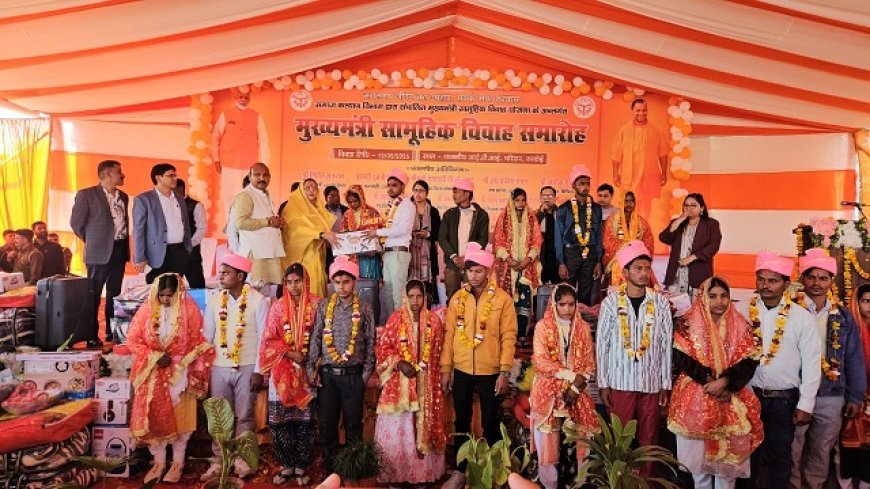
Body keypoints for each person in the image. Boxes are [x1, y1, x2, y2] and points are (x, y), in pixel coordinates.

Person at [668, 276, 762, 488]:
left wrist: (726, 382)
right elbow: (682, 358)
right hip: (696, 399)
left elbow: (750, 361)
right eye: (713, 296)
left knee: (726, 472)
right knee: (699, 471)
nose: (719, 301)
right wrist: (709, 380)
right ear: (703, 298)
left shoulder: (742, 325)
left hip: (731, 397)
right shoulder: (686, 324)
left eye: (723, 296)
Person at [739, 251, 821, 489]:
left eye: (773, 280)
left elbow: (812, 362)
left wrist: (806, 404)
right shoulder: (742, 311)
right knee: (746, 458)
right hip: (748, 397)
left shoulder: (801, 318)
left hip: (783, 402)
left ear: (786, 284)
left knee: (780, 459)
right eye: (761, 279)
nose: (765, 285)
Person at [126, 273, 214, 483]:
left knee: (181, 420)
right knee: (154, 418)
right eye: (162, 295)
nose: (165, 299)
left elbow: (197, 340)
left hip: (180, 373)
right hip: (153, 373)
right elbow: (133, 340)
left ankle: (177, 463)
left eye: (169, 295)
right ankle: (159, 463)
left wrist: (183, 361)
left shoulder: (189, 310)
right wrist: (155, 356)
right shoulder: (147, 310)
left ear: (178, 293)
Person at [790, 249, 866, 489]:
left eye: (823, 278)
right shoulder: (789, 311)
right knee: (792, 448)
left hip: (831, 393)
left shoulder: (842, 316)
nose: (817, 283)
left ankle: (815, 485)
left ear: (831, 281)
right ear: (803, 279)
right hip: (795, 392)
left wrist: (855, 396)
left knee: (822, 450)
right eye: (811, 277)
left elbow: (854, 357)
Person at [596, 240, 672, 475]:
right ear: (626, 272)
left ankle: (646, 483)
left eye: (647, 268)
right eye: (638, 268)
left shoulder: (660, 303)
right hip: (620, 383)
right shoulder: (610, 303)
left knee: (649, 441)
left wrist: (665, 383)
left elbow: (666, 344)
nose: (643, 273)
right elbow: (602, 345)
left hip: (651, 383)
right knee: (620, 442)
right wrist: (603, 383)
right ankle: (619, 482)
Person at [441, 242, 517, 447]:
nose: (473, 276)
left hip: (490, 371)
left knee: (491, 423)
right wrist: (446, 369)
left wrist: (504, 371)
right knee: (461, 423)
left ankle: (492, 464)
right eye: (469, 271)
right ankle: (461, 464)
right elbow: (449, 336)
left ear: (488, 271)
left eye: (478, 271)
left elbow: (508, 336)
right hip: (461, 369)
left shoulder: (503, 300)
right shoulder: (457, 299)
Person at [201, 253, 270, 481]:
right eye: (220, 272)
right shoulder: (214, 301)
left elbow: (264, 339)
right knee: (219, 416)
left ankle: (243, 458)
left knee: (244, 415)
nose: (220, 276)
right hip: (219, 366)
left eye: (225, 273)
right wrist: (203, 368)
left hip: (247, 366)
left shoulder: (259, 301)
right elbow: (207, 336)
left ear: (240, 276)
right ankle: (219, 459)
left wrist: (259, 370)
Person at [307, 255, 376, 472]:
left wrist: (365, 374)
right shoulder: (324, 306)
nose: (341, 287)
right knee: (327, 425)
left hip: (353, 375)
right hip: (328, 375)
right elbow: (316, 337)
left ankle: (351, 470)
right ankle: (331, 470)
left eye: (346, 282)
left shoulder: (364, 308)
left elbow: (371, 341)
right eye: (337, 282)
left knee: (353, 425)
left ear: (354, 282)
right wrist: (312, 368)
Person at [374, 280, 446, 484]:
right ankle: (395, 476)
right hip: (400, 385)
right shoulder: (395, 319)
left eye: (419, 296)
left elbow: (438, 354)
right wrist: (399, 363)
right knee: (400, 430)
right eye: (411, 296)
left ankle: (422, 476)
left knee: (423, 428)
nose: (415, 301)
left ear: (425, 298)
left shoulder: (434, 321)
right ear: (405, 297)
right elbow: (382, 349)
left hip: (427, 385)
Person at [530, 284, 598, 489]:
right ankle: (549, 484)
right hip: (548, 393)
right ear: (553, 304)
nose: (567, 309)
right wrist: (571, 377)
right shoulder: (542, 327)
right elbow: (541, 361)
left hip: (577, 393)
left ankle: (577, 483)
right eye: (562, 304)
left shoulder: (583, 328)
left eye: (571, 304)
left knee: (579, 440)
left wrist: (576, 387)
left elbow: (589, 363)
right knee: (548, 442)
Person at [259, 263, 322, 486]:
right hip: (282, 370)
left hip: (308, 371)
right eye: (289, 282)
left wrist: (308, 357)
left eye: (298, 281)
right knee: (279, 422)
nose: (294, 286)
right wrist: (289, 353)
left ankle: (302, 466)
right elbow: (269, 338)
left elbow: (322, 336)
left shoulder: (317, 305)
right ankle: (286, 465)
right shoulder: (277, 307)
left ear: (306, 281)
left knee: (306, 422)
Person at [70, 159, 129, 342]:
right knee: (94, 294)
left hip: (119, 249)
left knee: (115, 293)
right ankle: (91, 334)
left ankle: (112, 332)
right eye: (119, 171)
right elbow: (76, 223)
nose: (123, 175)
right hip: (98, 252)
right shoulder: (87, 194)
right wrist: (93, 241)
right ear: (108, 173)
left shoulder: (123, 196)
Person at [363, 168, 415, 318]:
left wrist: (377, 232)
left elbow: (402, 230)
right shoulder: (392, 207)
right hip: (388, 254)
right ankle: (393, 327)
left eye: (394, 185)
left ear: (402, 187)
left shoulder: (407, 205)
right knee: (388, 296)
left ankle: (402, 328)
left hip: (399, 254)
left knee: (398, 296)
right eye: (389, 185)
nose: (390, 188)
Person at [492, 188, 543, 339]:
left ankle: (522, 334)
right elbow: (498, 242)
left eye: (523, 200)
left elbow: (537, 242)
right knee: (507, 301)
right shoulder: (504, 218)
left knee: (524, 301)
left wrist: (527, 260)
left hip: (527, 268)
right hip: (507, 268)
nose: (520, 203)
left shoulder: (532, 218)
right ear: (512, 201)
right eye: (517, 200)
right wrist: (509, 260)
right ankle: (507, 334)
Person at [212, 90, 270, 215]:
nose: (243, 100)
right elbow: (215, 136)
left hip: (250, 165)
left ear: (250, 98)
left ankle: (246, 223)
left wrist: (264, 165)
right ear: (236, 97)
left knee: (249, 195)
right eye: (241, 97)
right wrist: (216, 159)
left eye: (246, 97)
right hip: (228, 163)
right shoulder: (226, 114)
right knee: (228, 195)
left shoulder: (256, 116)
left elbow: (264, 140)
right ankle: (230, 223)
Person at [132, 163, 192, 283]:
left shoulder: (180, 199)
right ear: (158, 178)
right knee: (156, 289)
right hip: (156, 254)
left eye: (175, 175)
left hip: (179, 252)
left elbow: (185, 224)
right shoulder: (144, 199)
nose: (174, 178)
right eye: (170, 176)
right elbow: (139, 230)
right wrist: (140, 257)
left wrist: (187, 249)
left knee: (176, 288)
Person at [611, 98, 669, 220]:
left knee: (646, 206)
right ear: (632, 111)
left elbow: (663, 154)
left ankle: (644, 228)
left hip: (648, 176)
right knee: (628, 204)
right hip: (629, 176)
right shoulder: (624, 131)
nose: (641, 113)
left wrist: (664, 173)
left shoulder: (656, 131)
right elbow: (616, 154)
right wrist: (615, 174)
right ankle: (627, 229)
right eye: (638, 110)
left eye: (644, 110)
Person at [555, 164, 603, 306]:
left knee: (586, 296)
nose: (585, 187)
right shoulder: (564, 209)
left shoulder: (596, 209)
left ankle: (582, 319)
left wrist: (598, 261)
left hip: (590, 254)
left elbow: (599, 235)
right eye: (581, 184)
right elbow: (558, 238)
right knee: (566, 293)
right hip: (570, 254)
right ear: (573, 185)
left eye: (587, 184)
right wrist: (561, 262)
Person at [231, 163, 285, 288]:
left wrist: (277, 222)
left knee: (270, 290)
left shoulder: (265, 193)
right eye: (257, 175)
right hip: (256, 254)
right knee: (254, 290)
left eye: (265, 175)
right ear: (249, 177)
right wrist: (268, 222)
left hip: (268, 251)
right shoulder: (245, 195)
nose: (262, 178)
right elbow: (240, 223)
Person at [281, 178, 337, 297]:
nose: (311, 190)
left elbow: (327, 231)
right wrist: (321, 234)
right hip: (304, 257)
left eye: (314, 188)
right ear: (301, 191)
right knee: (308, 289)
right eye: (307, 188)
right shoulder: (293, 208)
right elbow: (297, 230)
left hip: (319, 257)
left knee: (319, 291)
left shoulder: (320, 210)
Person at [659, 193, 721, 297]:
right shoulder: (677, 223)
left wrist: (692, 257)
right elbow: (663, 238)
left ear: (701, 208)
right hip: (677, 273)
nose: (689, 208)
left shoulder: (711, 224)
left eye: (693, 205)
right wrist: (678, 220)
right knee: (676, 304)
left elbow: (713, 246)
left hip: (698, 272)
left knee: (697, 304)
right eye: (686, 205)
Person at [438, 178, 490, 301]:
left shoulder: (481, 215)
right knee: (452, 299)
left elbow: (482, 239)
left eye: (456, 192)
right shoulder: (449, 214)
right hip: (452, 263)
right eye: (453, 192)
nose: (453, 195)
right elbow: (442, 237)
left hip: (472, 264)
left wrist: (467, 257)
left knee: (472, 297)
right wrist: (454, 256)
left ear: (467, 194)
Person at [840, 283, 870, 487]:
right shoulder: (848, 329)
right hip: (850, 395)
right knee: (846, 446)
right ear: (857, 303)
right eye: (866, 301)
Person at [602, 191, 654, 286]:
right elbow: (608, 240)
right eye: (626, 201)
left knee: (644, 270)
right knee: (618, 269)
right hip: (618, 258)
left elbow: (648, 241)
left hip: (638, 257)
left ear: (635, 203)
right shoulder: (611, 220)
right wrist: (627, 247)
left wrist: (637, 251)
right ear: (621, 202)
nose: (629, 204)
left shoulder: (642, 222)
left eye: (631, 201)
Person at [409, 180, 441, 305]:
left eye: (421, 191)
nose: (418, 194)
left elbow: (439, 233)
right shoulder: (407, 210)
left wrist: (427, 234)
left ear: (427, 193)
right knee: (411, 284)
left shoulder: (433, 211)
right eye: (415, 190)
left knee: (427, 287)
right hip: (410, 252)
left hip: (427, 253)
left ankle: (426, 310)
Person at [340, 185, 382, 280]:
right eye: (350, 202)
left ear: (361, 198)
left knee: (369, 283)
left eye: (355, 201)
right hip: (353, 256)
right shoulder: (347, 214)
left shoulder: (372, 212)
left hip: (369, 255)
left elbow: (378, 232)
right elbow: (343, 233)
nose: (352, 204)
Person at [175, 179, 207, 289]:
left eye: (172, 189)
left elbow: (201, 229)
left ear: (180, 189)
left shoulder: (196, 205)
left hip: (191, 255)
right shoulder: (168, 205)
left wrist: (189, 245)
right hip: (173, 255)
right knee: (172, 288)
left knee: (198, 287)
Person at [535, 186, 560, 285]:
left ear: (555, 198)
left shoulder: (561, 213)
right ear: (540, 198)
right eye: (544, 196)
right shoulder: (535, 214)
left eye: (550, 196)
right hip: (542, 256)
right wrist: (541, 212)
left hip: (557, 257)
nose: (547, 198)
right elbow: (533, 228)